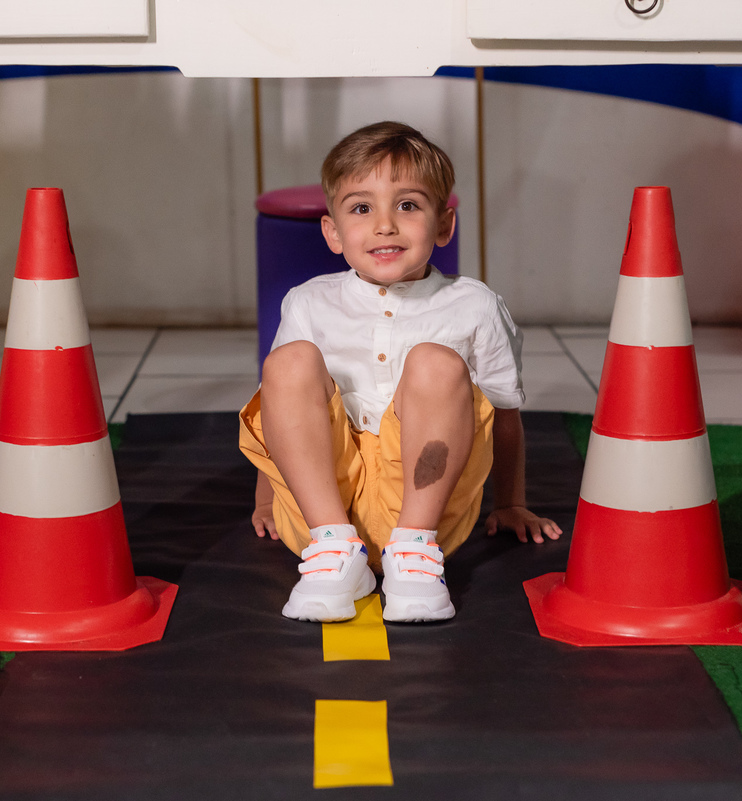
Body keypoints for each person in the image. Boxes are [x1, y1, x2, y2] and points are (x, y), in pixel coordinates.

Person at [239, 121, 560, 624]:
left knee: (436, 361)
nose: (385, 225)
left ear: (443, 226)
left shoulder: (474, 304)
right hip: (319, 506)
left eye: (407, 206)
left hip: (428, 509)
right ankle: (332, 550)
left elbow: (503, 414)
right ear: (333, 232)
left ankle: (412, 556)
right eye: (362, 208)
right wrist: (268, 500)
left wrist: (512, 502)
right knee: (287, 361)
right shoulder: (308, 302)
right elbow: (280, 413)